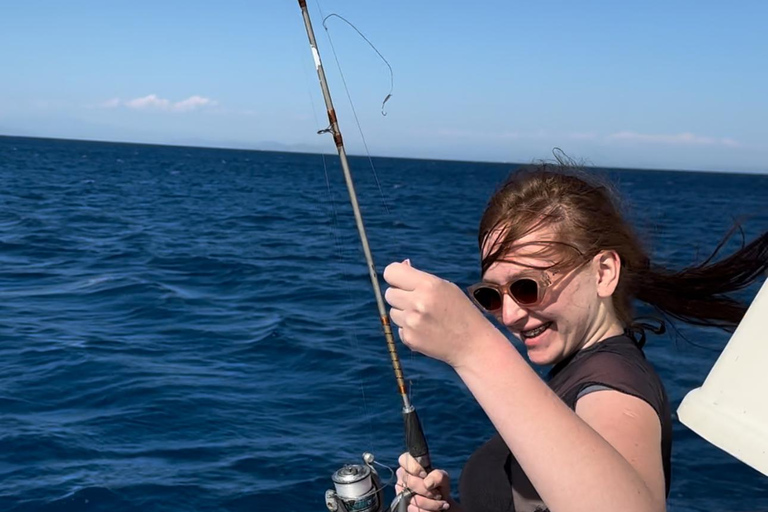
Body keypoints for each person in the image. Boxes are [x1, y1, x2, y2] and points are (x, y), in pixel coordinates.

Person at [382, 162, 768, 512]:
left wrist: (473, 347)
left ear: (602, 273)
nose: (511, 315)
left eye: (528, 287)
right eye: (491, 295)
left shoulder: (614, 389)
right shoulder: (579, 371)